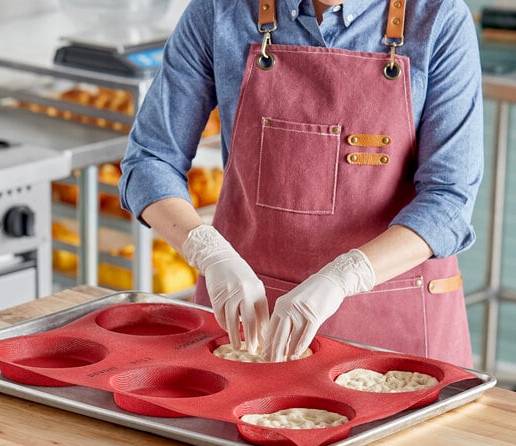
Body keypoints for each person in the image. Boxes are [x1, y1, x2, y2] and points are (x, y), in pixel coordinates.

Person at [119, 0, 483, 366]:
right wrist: (208, 251)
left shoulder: (438, 18)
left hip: (398, 330)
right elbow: (150, 159)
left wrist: (346, 275)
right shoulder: (220, 11)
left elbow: (449, 199)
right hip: (251, 329)